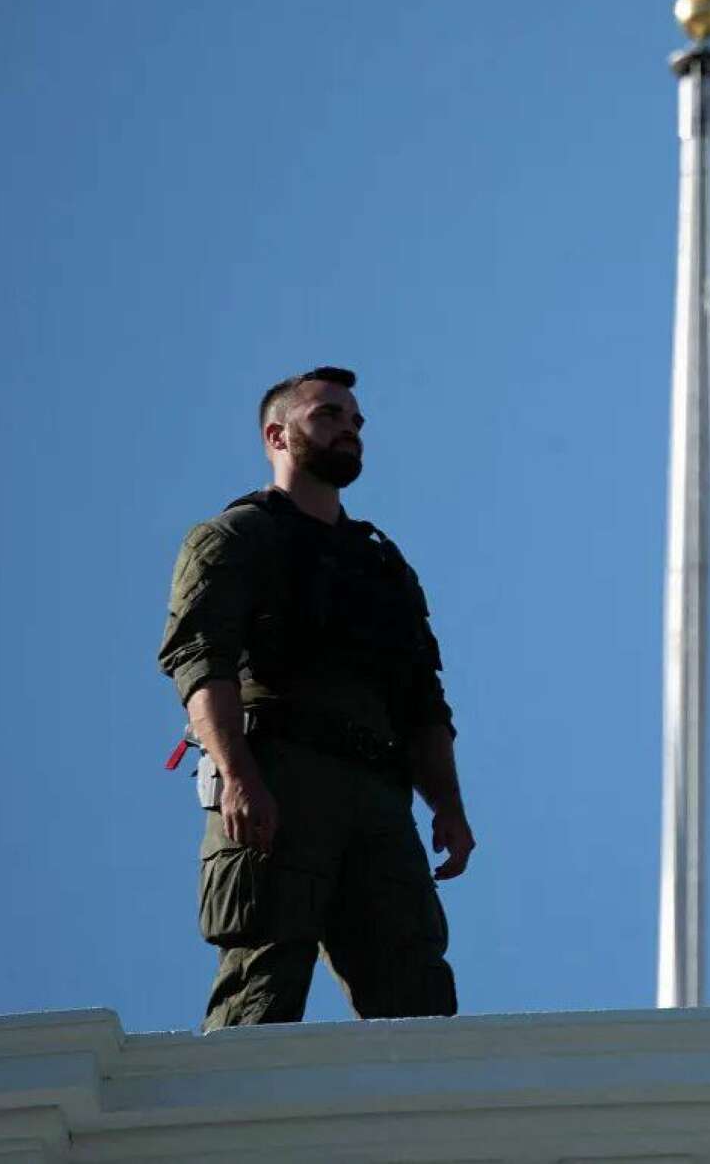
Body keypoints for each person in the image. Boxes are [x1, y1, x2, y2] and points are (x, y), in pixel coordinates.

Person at [157, 365, 474, 1030]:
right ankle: (232, 1127)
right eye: (328, 415)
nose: (349, 431)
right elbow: (200, 665)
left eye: (356, 421)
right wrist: (240, 775)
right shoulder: (234, 539)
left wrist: (446, 803)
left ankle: (420, 1134)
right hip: (279, 778)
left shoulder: (381, 565)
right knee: (262, 987)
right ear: (277, 433)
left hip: (378, 797)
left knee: (418, 1000)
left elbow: (423, 700)